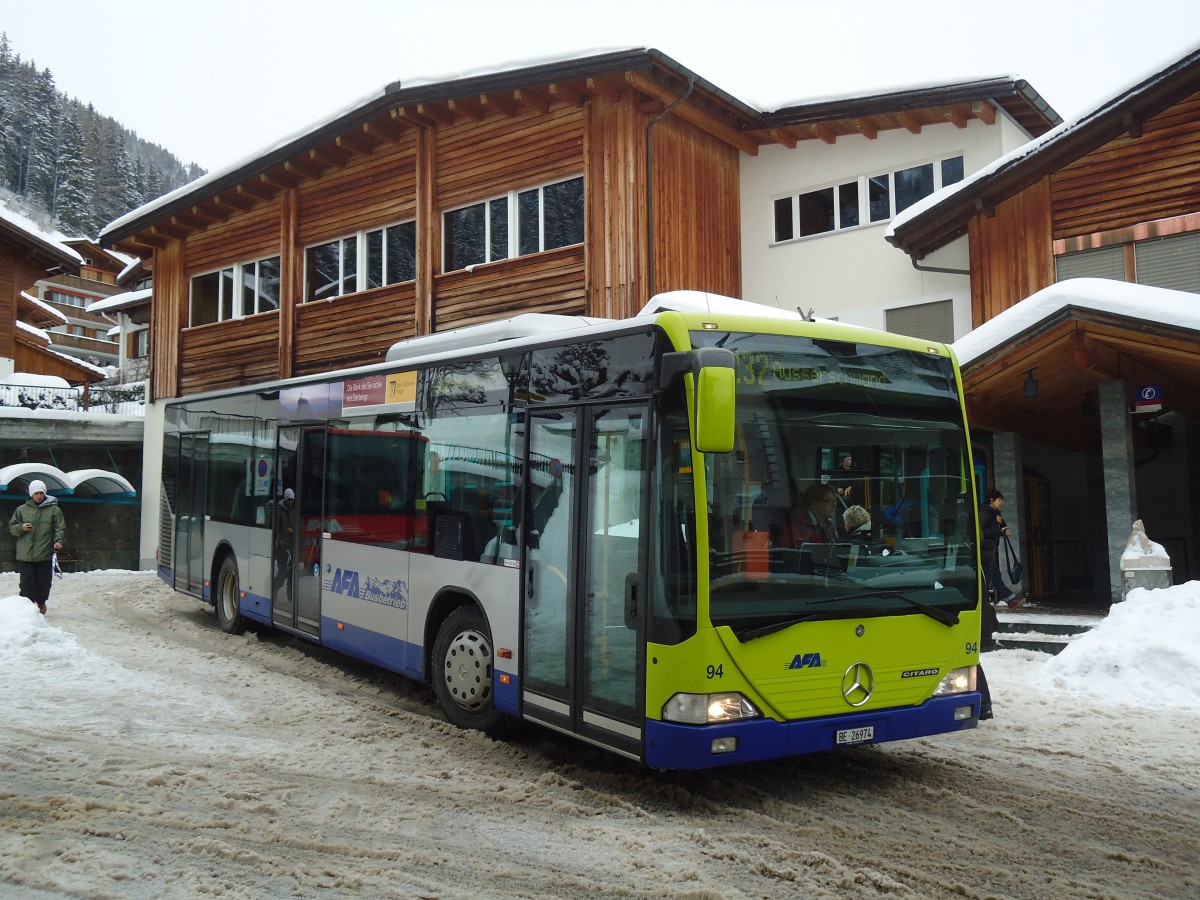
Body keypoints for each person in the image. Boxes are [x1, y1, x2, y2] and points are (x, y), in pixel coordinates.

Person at [8, 479, 66, 615]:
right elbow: (12, 528)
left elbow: (60, 528)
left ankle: (41, 603)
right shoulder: (21, 510)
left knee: (43, 584)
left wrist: (58, 541)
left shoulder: (54, 510)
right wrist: (20, 527)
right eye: (36, 493)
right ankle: (27, 611)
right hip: (25, 554)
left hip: (44, 554)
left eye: (41, 493)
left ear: (45, 493)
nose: (39, 496)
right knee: (26, 585)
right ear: (31, 494)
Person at [980, 488, 1025, 608]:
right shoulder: (985, 513)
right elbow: (981, 531)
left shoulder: (994, 513)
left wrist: (1000, 524)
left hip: (990, 549)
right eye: (999, 500)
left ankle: (1008, 600)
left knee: (993, 575)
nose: (1002, 503)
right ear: (991, 500)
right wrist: (999, 530)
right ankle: (1009, 599)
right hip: (985, 549)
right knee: (993, 574)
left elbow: (1003, 527)